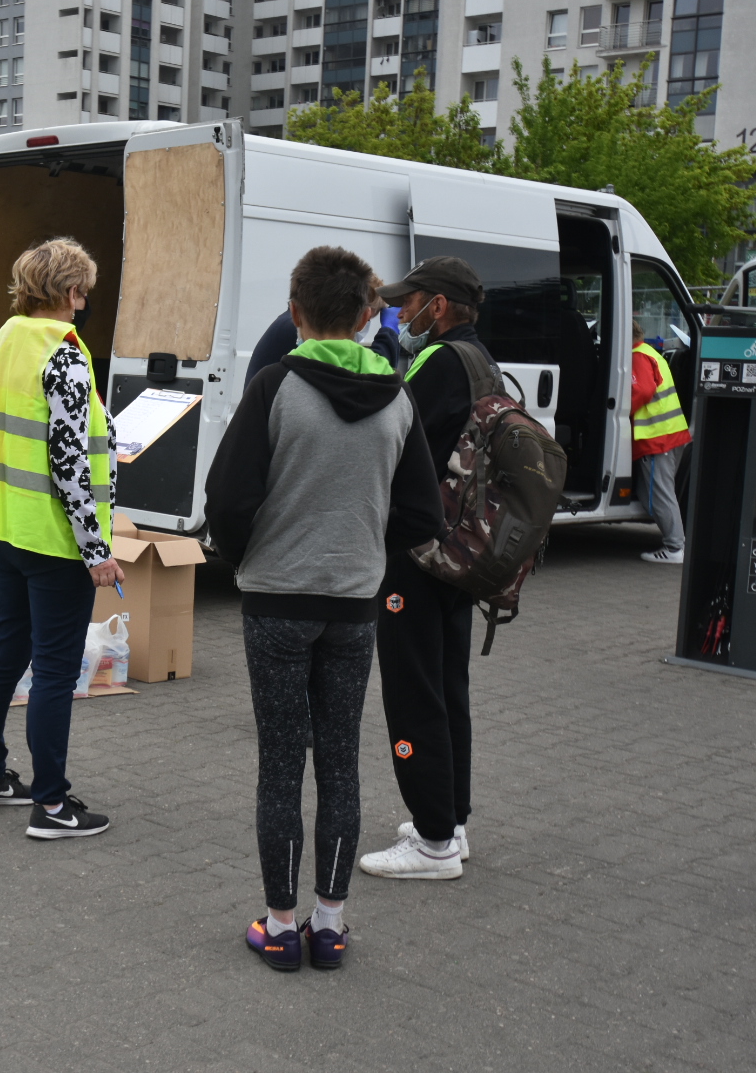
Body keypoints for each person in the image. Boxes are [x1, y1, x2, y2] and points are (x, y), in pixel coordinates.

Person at [207, 246, 443, 971]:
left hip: (277, 600)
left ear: (295, 310)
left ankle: (280, 928)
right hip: (354, 605)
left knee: (282, 763)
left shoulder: (276, 387)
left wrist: (242, 556)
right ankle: (330, 925)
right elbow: (422, 513)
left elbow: (229, 499)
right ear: (369, 312)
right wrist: (365, 548)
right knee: (340, 760)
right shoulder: (400, 399)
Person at [0, 237, 120, 840]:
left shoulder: (1, 343)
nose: (85, 302)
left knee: (5, 654)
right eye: (84, 291)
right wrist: (97, 550)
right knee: (54, 673)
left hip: (3, 526)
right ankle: (52, 806)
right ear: (72, 291)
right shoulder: (63, 352)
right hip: (55, 542)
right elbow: (69, 458)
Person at [358, 256, 493, 881]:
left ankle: (433, 841)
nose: (399, 312)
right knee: (447, 684)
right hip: (459, 548)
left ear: (437, 306)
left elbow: (395, 436)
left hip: (417, 550)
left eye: (408, 301)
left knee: (413, 690)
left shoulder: (438, 361)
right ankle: (451, 820)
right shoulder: (480, 358)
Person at [243, 296, 402, 390]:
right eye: (367, 319)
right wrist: (389, 332)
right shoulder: (299, 330)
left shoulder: (292, 323)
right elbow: (366, 384)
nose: (362, 326)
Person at [632, 319, 691, 564]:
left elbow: (643, 391)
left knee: (660, 494)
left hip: (658, 438)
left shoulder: (638, 357)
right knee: (650, 495)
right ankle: (674, 541)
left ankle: (675, 547)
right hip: (668, 434)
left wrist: (619, 409)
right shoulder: (651, 353)